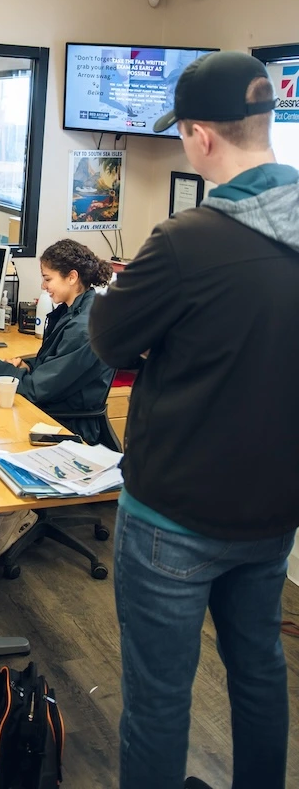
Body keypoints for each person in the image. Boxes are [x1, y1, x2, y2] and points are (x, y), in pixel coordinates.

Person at [89, 51, 299, 789]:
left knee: (158, 699)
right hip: (273, 515)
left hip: (173, 519)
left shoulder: (187, 240)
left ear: (202, 137)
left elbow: (108, 341)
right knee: (261, 675)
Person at [0, 239, 114, 562]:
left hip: (67, 420)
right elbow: (50, 369)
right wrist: (26, 365)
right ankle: (2, 508)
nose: (43, 285)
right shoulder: (75, 310)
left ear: (72, 277)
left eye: (48, 278)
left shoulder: (85, 327)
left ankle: (11, 515)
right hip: (56, 402)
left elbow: (40, 389)